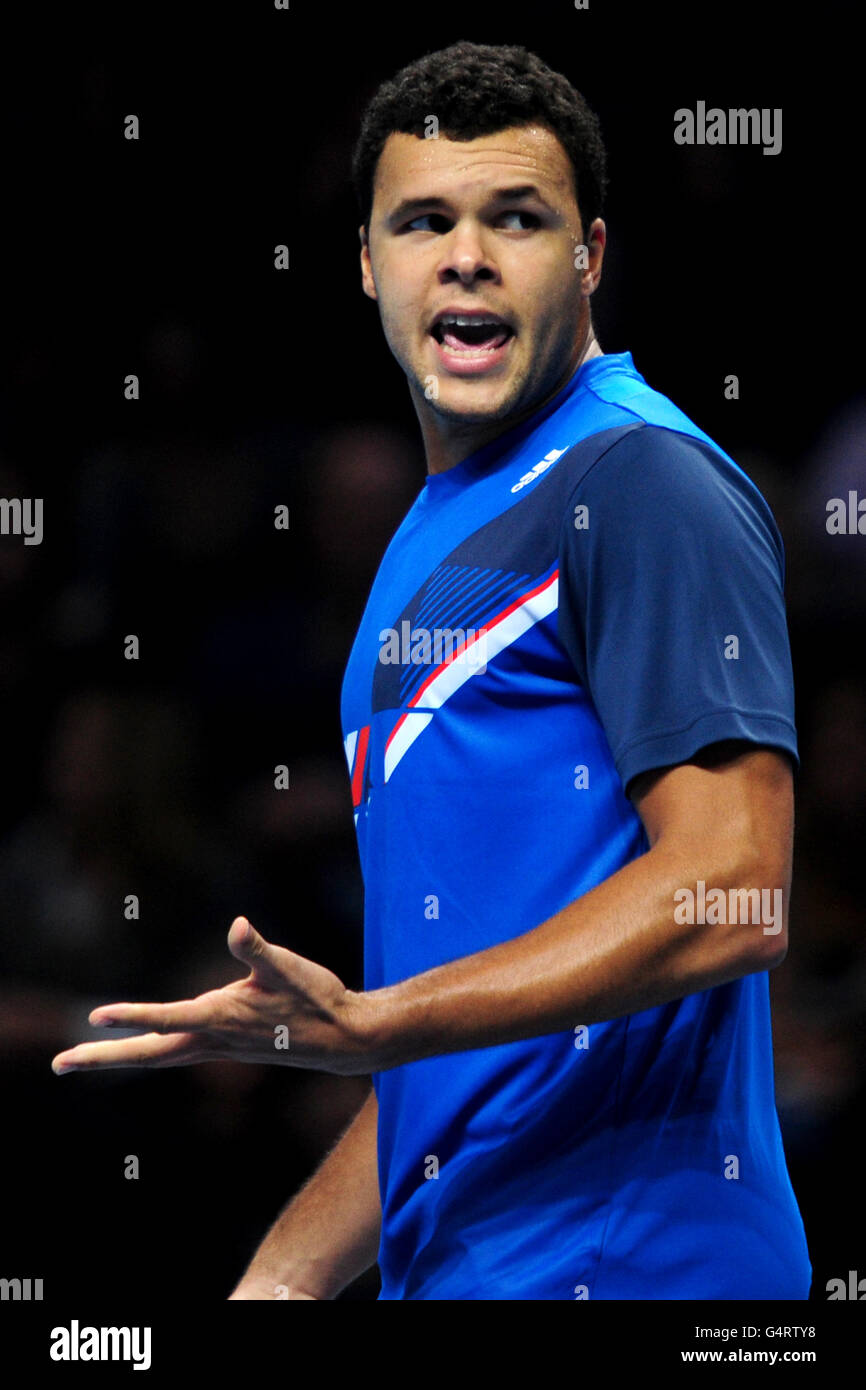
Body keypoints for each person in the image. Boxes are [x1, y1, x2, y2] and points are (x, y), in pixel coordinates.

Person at [52, 41, 812, 1301]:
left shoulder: (637, 479)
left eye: (517, 218)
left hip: (636, 1267)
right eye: (422, 220)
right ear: (366, 263)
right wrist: (284, 1282)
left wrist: (369, 1024)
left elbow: (733, 884)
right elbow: (461, 1041)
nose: (465, 253)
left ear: (590, 258)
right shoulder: (431, 542)